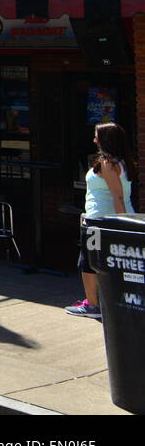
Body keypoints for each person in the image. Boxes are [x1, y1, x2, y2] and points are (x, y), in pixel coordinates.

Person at [67, 122, 137, 319]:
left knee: (88, 262)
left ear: (105, 140)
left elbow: (118, 196)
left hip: (100, 222)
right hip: (100, 219)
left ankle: (92, 305)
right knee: (108, 262)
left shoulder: (108, 164)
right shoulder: (122, 162)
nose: (94, 139)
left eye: (97, 136)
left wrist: (122, 224)